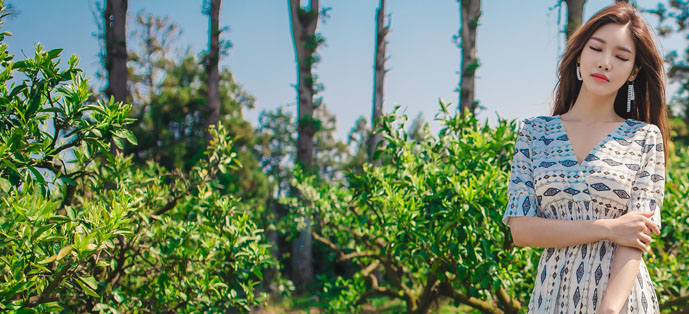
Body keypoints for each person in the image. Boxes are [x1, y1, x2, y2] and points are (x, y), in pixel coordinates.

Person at [502, 2, 669, 313]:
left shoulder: (645, 138)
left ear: (633, 72)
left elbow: (635, 240)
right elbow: (522, 230)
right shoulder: (534, 133)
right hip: (552, 299)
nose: (605, 63)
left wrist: (608, 310)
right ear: (580, 54)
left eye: (621, 57)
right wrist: (608, 227)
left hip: (622, 302)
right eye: (596, 48)